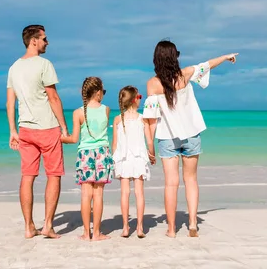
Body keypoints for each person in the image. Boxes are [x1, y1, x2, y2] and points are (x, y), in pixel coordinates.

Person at [143, 40, 237, 238]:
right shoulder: (185, 75)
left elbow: (150, 119)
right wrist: (226, 57)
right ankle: (192, 224)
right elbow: (207, 64)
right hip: (192, 134)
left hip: (167, 138)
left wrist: (149, 145)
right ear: (174, 57)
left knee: (171, 184)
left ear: (156, 59)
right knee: (191, 180)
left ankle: (171, 229)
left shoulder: (152, 84)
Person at [6, 24, 68, 239]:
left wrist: (12, 130)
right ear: (33, 40)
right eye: (44, 39)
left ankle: (28, 227)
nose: (47, 42)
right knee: (54, 176)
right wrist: (64, 126)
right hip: (47, 128)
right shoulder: (44, 64)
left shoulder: (14, 67)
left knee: (27, 176)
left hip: (25, 129)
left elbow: (9, 102)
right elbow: (53, 97)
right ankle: (48, 226)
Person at [61, 76, 114, 241]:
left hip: (85, 155)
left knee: (85, 195)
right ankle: (97, 233)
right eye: (103, 91)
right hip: (102, 154)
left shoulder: (78, 112)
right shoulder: (106, 109)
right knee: (98, 195)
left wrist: (61, 138)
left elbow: (74, 139)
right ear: (98, 92)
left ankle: (86, 232)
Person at [112, 86, 156, 238]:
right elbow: (149, 141)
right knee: (139, 193)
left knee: (125, 193)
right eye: (139, 97)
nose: (141, 99)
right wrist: (152, 155)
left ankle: (125, 228)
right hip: (138, 158)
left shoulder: (118, 119)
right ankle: (140, 228)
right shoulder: (142, 118)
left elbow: (115, 144)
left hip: (123, 158)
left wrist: (114, 160)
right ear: (134, 100)